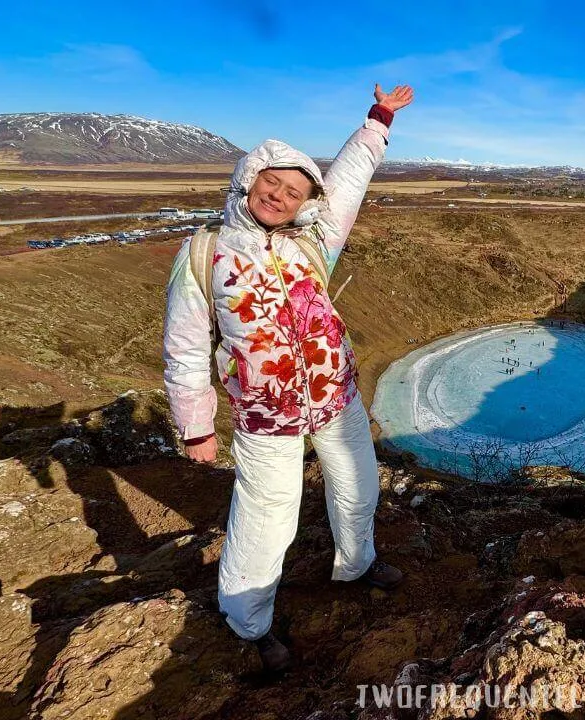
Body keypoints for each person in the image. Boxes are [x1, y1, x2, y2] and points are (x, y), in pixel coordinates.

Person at [162, 83, 414, 673]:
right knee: (266, 518)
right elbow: (185, 346)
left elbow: (349, 181)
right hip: (265, 414)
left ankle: (357, 564)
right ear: (248, 180)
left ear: (306, 203)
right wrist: (196, 427)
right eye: (271, 182)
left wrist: (378, 120)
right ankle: (249, 623)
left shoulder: (314, 243)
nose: (279, 195)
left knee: (357, 490)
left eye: (295, 190)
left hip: (337, 396)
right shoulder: (206, 254)